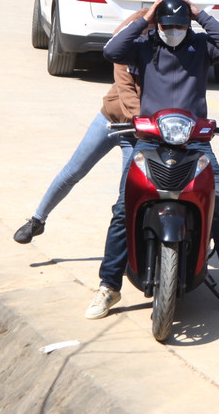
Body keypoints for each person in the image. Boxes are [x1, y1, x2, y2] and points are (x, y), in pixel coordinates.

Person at [98, 0, 219, 317]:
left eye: (180, 25)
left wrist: (201, 15)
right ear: (158, 23)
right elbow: (111, 51)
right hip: (149, 140)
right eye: (167, 25)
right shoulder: (145, 44)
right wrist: (145, 20)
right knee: (122, 208)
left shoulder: (200, 46)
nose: (173, 30)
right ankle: (108, 286)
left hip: (196, 143)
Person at [13, 13, 144, 244]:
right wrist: (145, 16)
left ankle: (125, 252)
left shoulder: (166, 55)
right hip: (109, 120)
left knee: (128, 195)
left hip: (137, 133)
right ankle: (37, 220)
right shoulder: (127, 48)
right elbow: (125, 87)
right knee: (73, 171)